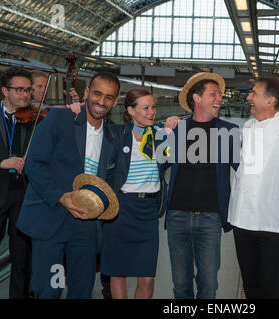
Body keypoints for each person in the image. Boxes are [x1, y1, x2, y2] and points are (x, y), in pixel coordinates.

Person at [16, 71, 121, 299]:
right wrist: (61, 197)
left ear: (116, 101)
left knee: (82, 289)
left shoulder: (114, 137)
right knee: (49, 290)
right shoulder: (60, 118)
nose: (101, 102)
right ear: (86, 93)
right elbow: (34, 163)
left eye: (109, 97)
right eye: (97, 94)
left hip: (86, 227)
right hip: (50, 218)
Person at [165, 72, 239, 299]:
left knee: (208, 286)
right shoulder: (176, 129)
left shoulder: (229, 131)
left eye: (219, 94)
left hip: (210, 219)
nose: (220, 98)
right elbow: (150, 163)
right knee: (180, 285)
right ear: (197, 98)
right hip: (177, 217)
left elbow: (247, 170)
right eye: (213, 94)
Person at [227, 77, 279, 299]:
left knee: (270, 288)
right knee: (251, 286)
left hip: (273, 222)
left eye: (254, 94)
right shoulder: (248, 127)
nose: (249, 97)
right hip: (242, 220)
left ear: (271, 101)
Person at [99, 88, 169, 299]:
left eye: (153, 107)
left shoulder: (160, 136)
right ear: (130, 110)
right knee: (117, 273)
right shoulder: (116, 135)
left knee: (146, 277)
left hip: (147, 212)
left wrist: (174, 121)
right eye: (145, 107)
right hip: (120, 210)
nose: (151, 112)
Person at [0, 67, 33, 298]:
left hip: (23, 196)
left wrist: (75, 105)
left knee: (22, 258)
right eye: (20, 89)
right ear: (5, 91)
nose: (26, 94)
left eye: (28, 90)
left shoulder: (33, 118)